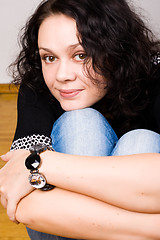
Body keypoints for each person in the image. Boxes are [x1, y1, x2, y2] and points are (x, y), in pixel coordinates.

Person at [0, 0, 160, 239]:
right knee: (81, 123)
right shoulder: (38, 85)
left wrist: (43, 164)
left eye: (81, 55)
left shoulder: (154, 75)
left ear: (116, 50)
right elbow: (27, 207)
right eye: (49, 58)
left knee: (141, 141)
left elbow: (27, 177)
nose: (62, 76)